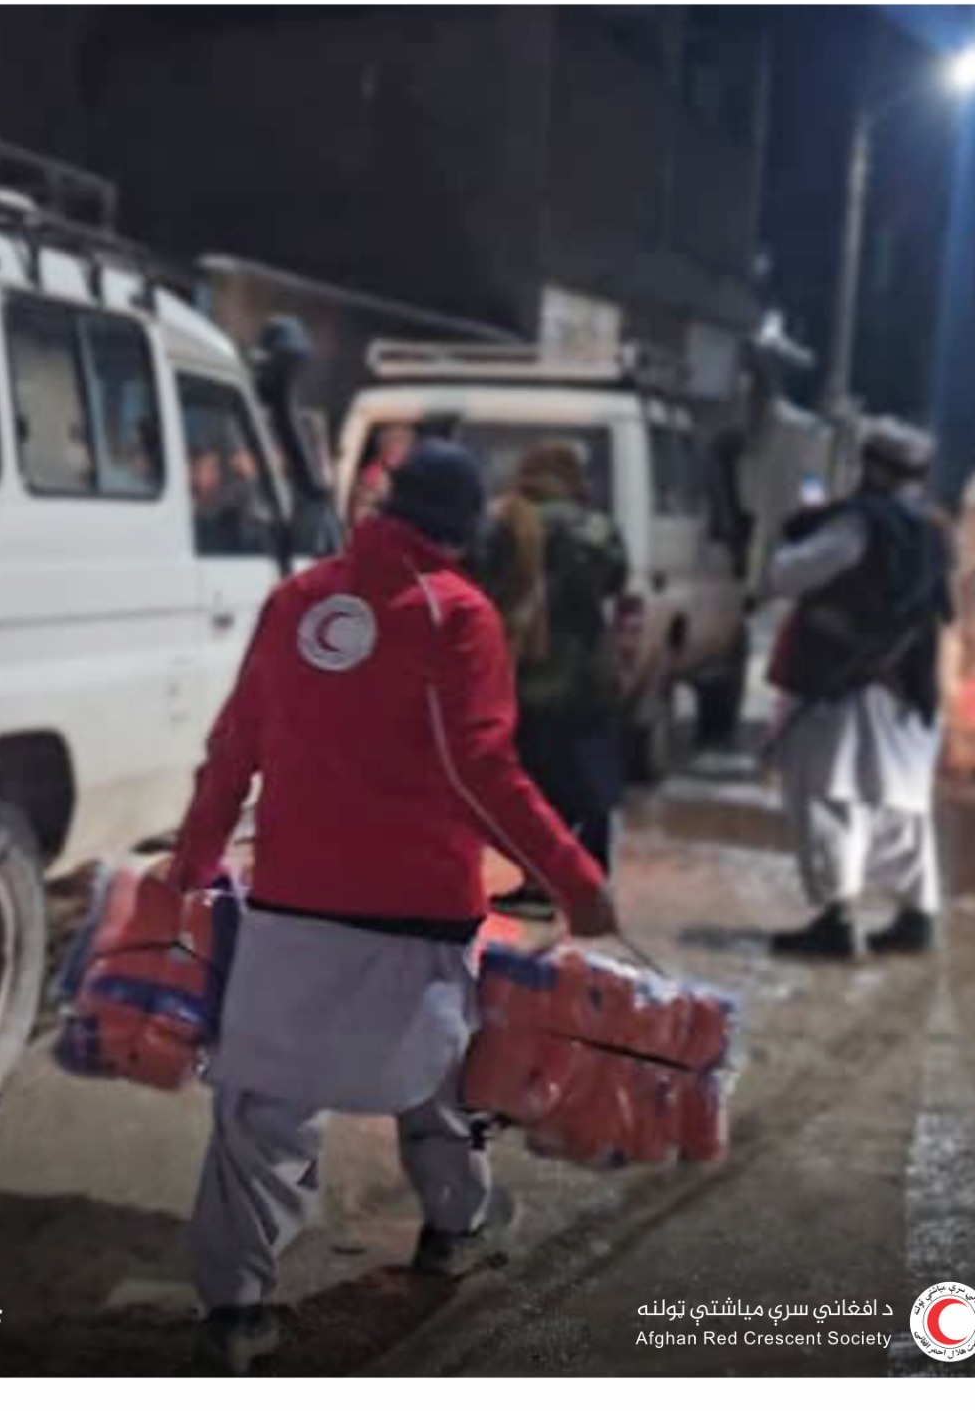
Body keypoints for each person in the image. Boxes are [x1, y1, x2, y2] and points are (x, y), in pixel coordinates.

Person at [145, 439, 617, 1373]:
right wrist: (574, 877)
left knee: (261, 1104)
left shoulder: (296, 599)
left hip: (290, 897)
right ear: (461, 525)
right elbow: (480, 771)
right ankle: (456, 1228)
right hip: (417, 905)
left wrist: (190, 864)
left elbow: (235, 747)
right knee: (439, 1080)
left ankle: (235, 1315)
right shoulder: (456, 616)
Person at [763, 423, 953, 958]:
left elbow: (784, 575)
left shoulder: (860, 524)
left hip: (847, 690)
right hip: (910, 693)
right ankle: (917, 915)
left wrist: (786, 546)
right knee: (901, 809)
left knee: (830, 798)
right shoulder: (932, 531)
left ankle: (837, 920)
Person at [476, 443, 632, 914]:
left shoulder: (502, 521)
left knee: (532, 784)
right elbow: (615, 580)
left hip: (523, 676)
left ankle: (533, 882)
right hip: (586, 681)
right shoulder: (597, 529)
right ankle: (591, 880)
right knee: (593, 786)